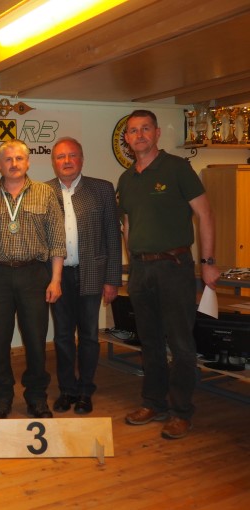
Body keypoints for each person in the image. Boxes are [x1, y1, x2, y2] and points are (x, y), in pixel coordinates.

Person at [117, 109, 220, 439]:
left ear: (157, 133)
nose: (140, 135)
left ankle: (181, 412)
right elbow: (127, 225)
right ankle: (154, 403)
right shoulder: (126, 179)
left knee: (180, 343)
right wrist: (133, 262)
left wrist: (208, 261)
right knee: (149, 342)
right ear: (127, 139)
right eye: (134, 131)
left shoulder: (177, 168)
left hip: (174, 267)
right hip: (141, 269)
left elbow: (205, 214)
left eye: (145, 129)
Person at [0, 139, 66, 419]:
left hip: (34, 274)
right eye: (8, 160)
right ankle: (1, 398)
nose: (14, 164)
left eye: (19, 158)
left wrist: (55, 280)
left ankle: (37, 397)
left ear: (28, 162)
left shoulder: (46, 194)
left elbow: (57, 242)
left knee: (35, 340)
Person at [46, 137, 122, 415]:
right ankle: (67, 390)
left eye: (72, 155)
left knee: (89, 336)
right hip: (57, 277)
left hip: (92, 273)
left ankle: (85, 391)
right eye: (60, 157)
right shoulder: (43, 191)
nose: (67, 161)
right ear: (53, 162)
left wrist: (112, 279)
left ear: (82, 159)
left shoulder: (102, 189)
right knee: (62, 336)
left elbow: (112, 237)